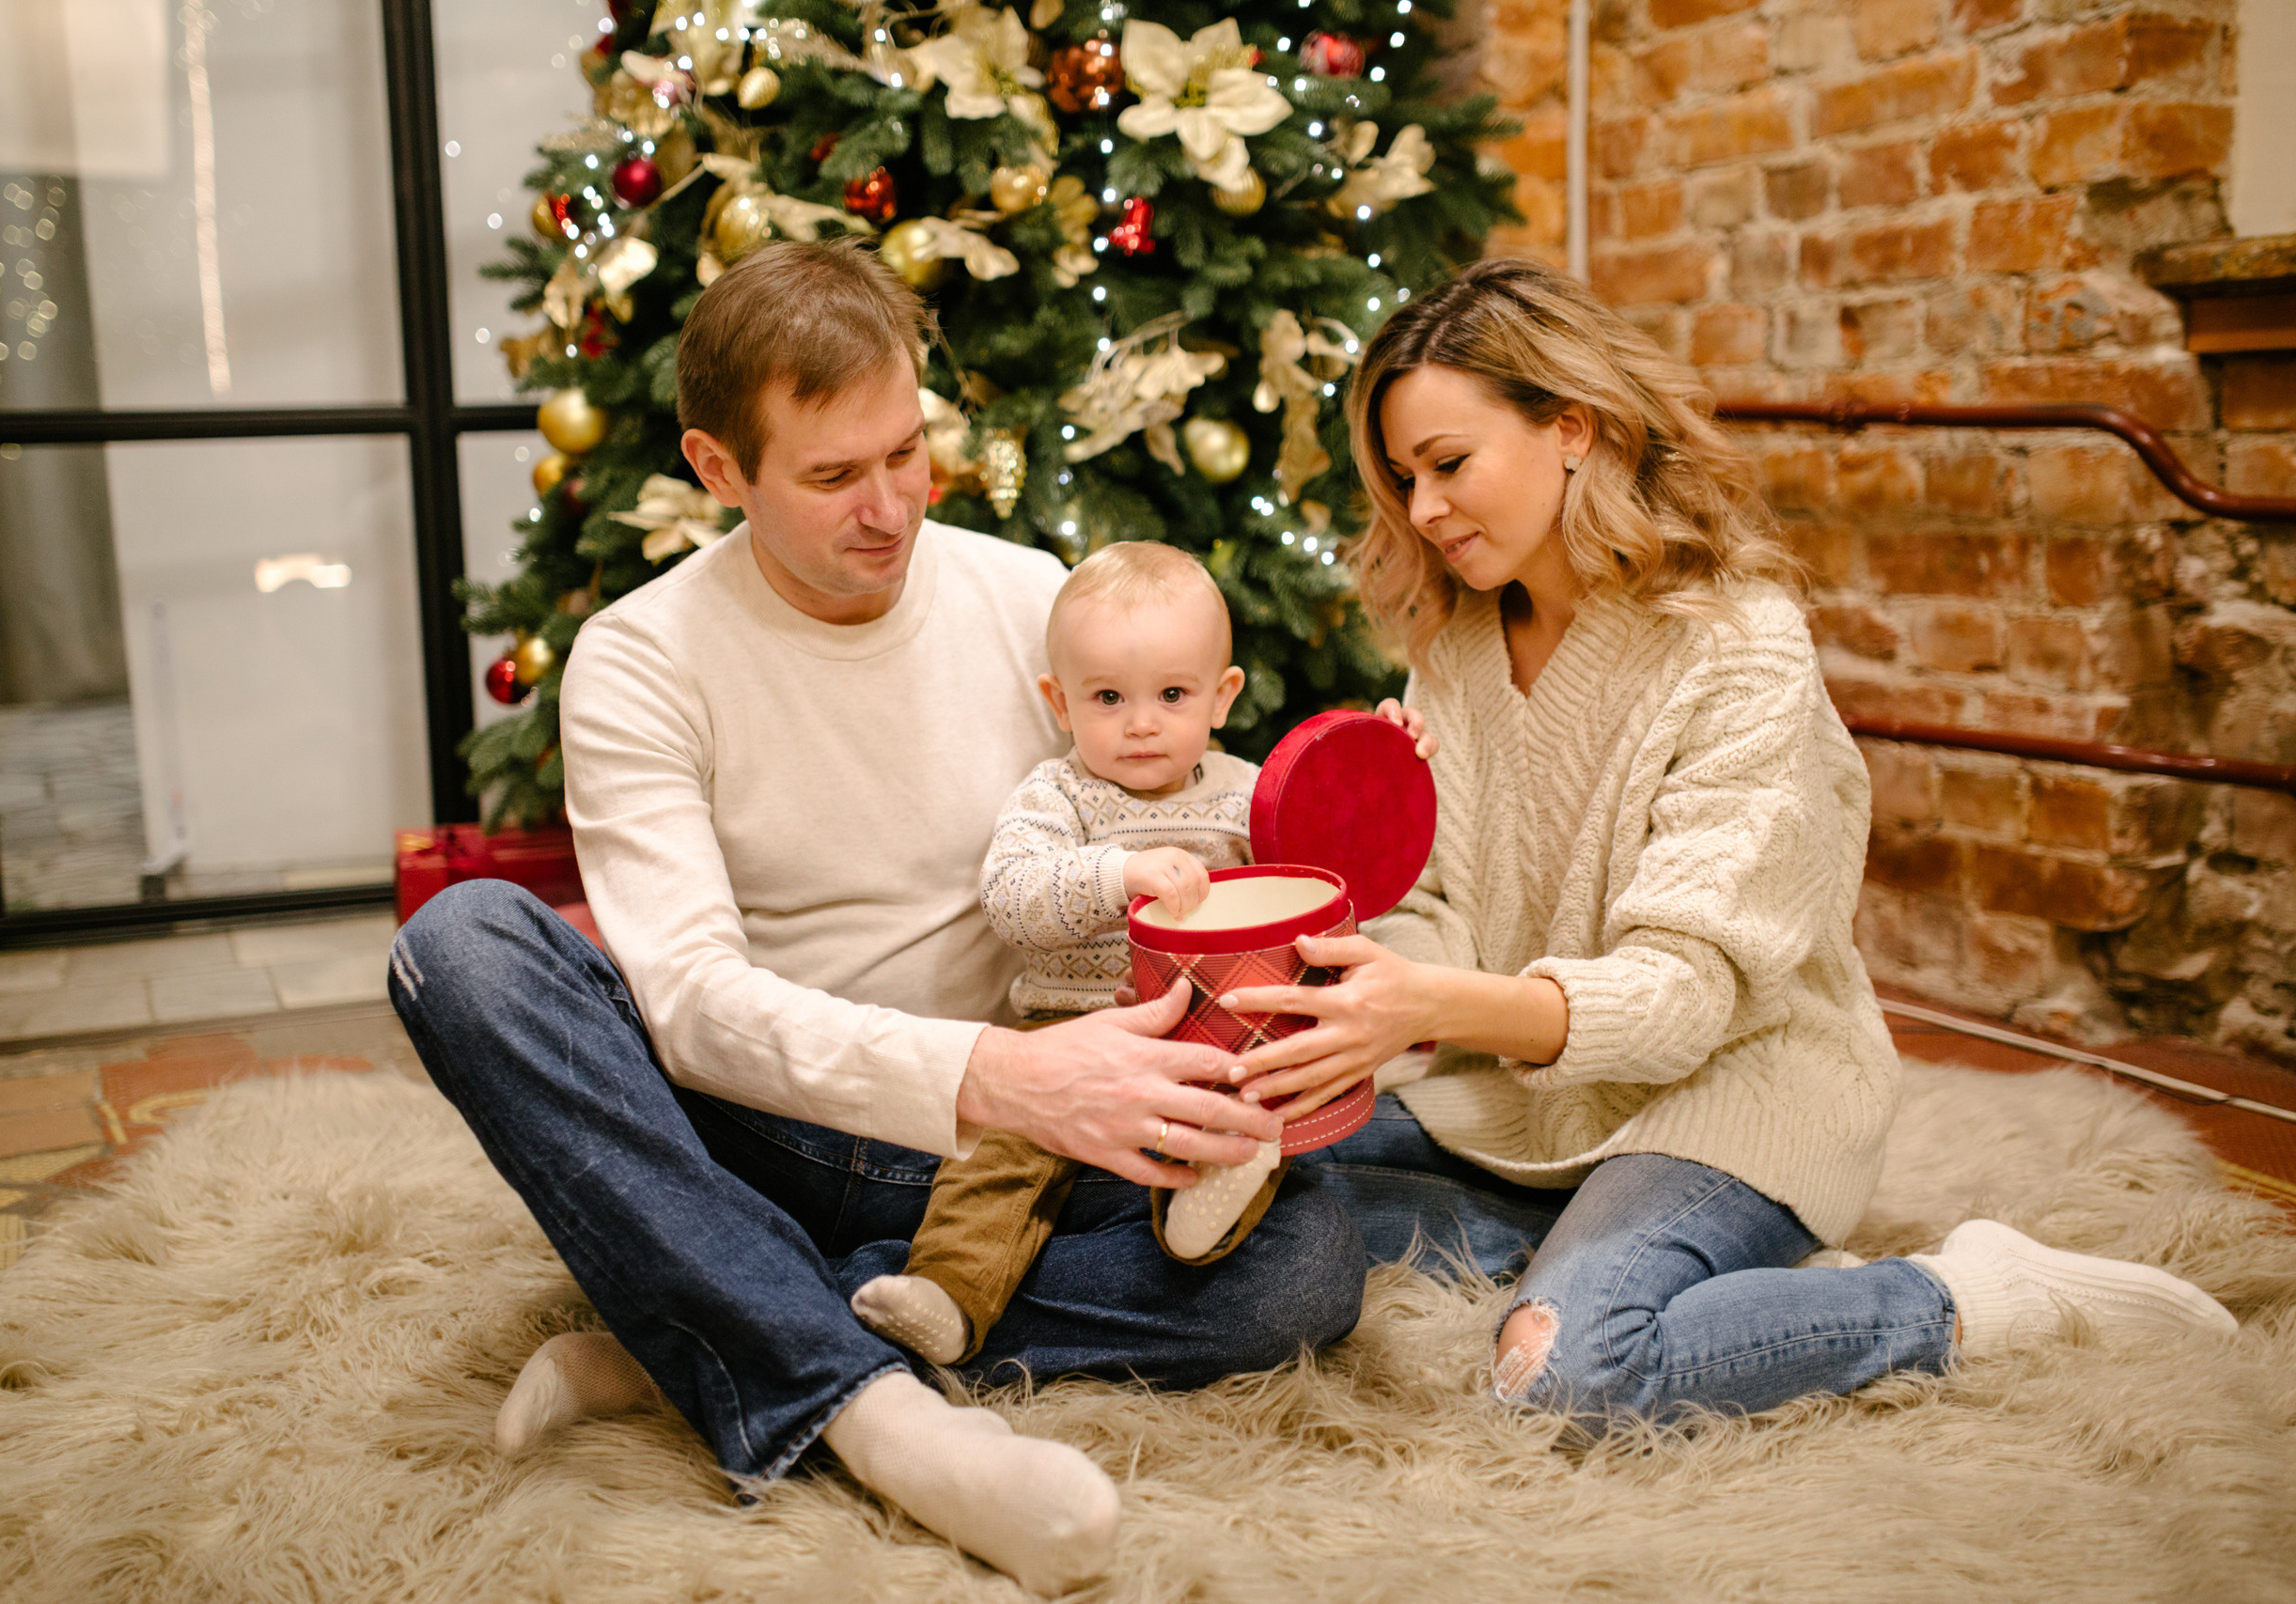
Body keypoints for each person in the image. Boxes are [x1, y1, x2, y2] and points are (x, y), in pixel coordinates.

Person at [386, 241, 1365, 1595]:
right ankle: (875, 1408)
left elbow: (1195, 807)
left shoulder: (1032, 596)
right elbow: (690, 1002)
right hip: (759, 1126)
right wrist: (995, 1076)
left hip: (1006, 1144)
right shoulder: (639, 658)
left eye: (907, 451)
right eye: (835, 475)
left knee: (1307, 1263)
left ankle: (708, 1319)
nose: (890, 508)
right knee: (463, 948)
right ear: (718, 468)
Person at [1191, 257, 2239, 1429]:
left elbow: (1681, 1001)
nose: (1423, 508)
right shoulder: (1452, 648)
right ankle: (1619, 1247)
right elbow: (1446, 913)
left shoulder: (1739, 648)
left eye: (1449, 465)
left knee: (1565, 1372)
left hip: (1729, 1095)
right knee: (1243, 1172)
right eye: (1401, 477)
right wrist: (1362, 978)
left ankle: (1955, 1298)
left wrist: (1421, 1007)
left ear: (1572, 430)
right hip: (1525, 1113)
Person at [848, 540, 1434, 1365]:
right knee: (999, 1158)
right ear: (1060, 701)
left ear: (1223, 696)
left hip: (1215, 1035)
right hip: (1070, 1030)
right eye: (1109, 697)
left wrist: (1380, 761)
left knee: (1250, 1107)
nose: (1142, 722)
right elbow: (1011, 897)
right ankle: (948, 1292)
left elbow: (1331, 884)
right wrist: (1118, 874)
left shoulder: (1246, 794)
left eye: (1171, 694)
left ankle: (1208, 1204)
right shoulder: (1059, 796)